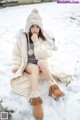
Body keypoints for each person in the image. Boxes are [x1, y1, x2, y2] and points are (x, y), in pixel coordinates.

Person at [10, 8, 70, 120]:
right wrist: (17, 66)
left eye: (37, 26)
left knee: (42, 61)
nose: (35, 29)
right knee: (34, 69)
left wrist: (37, 42)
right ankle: (35, 99)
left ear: (40, 27)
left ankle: (53, 87)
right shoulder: (23, 38)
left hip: (41, 62)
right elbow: (16, 53)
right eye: (32, 26)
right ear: (28, 26)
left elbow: (45, 55)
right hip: (29, 64)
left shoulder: (43, 37)